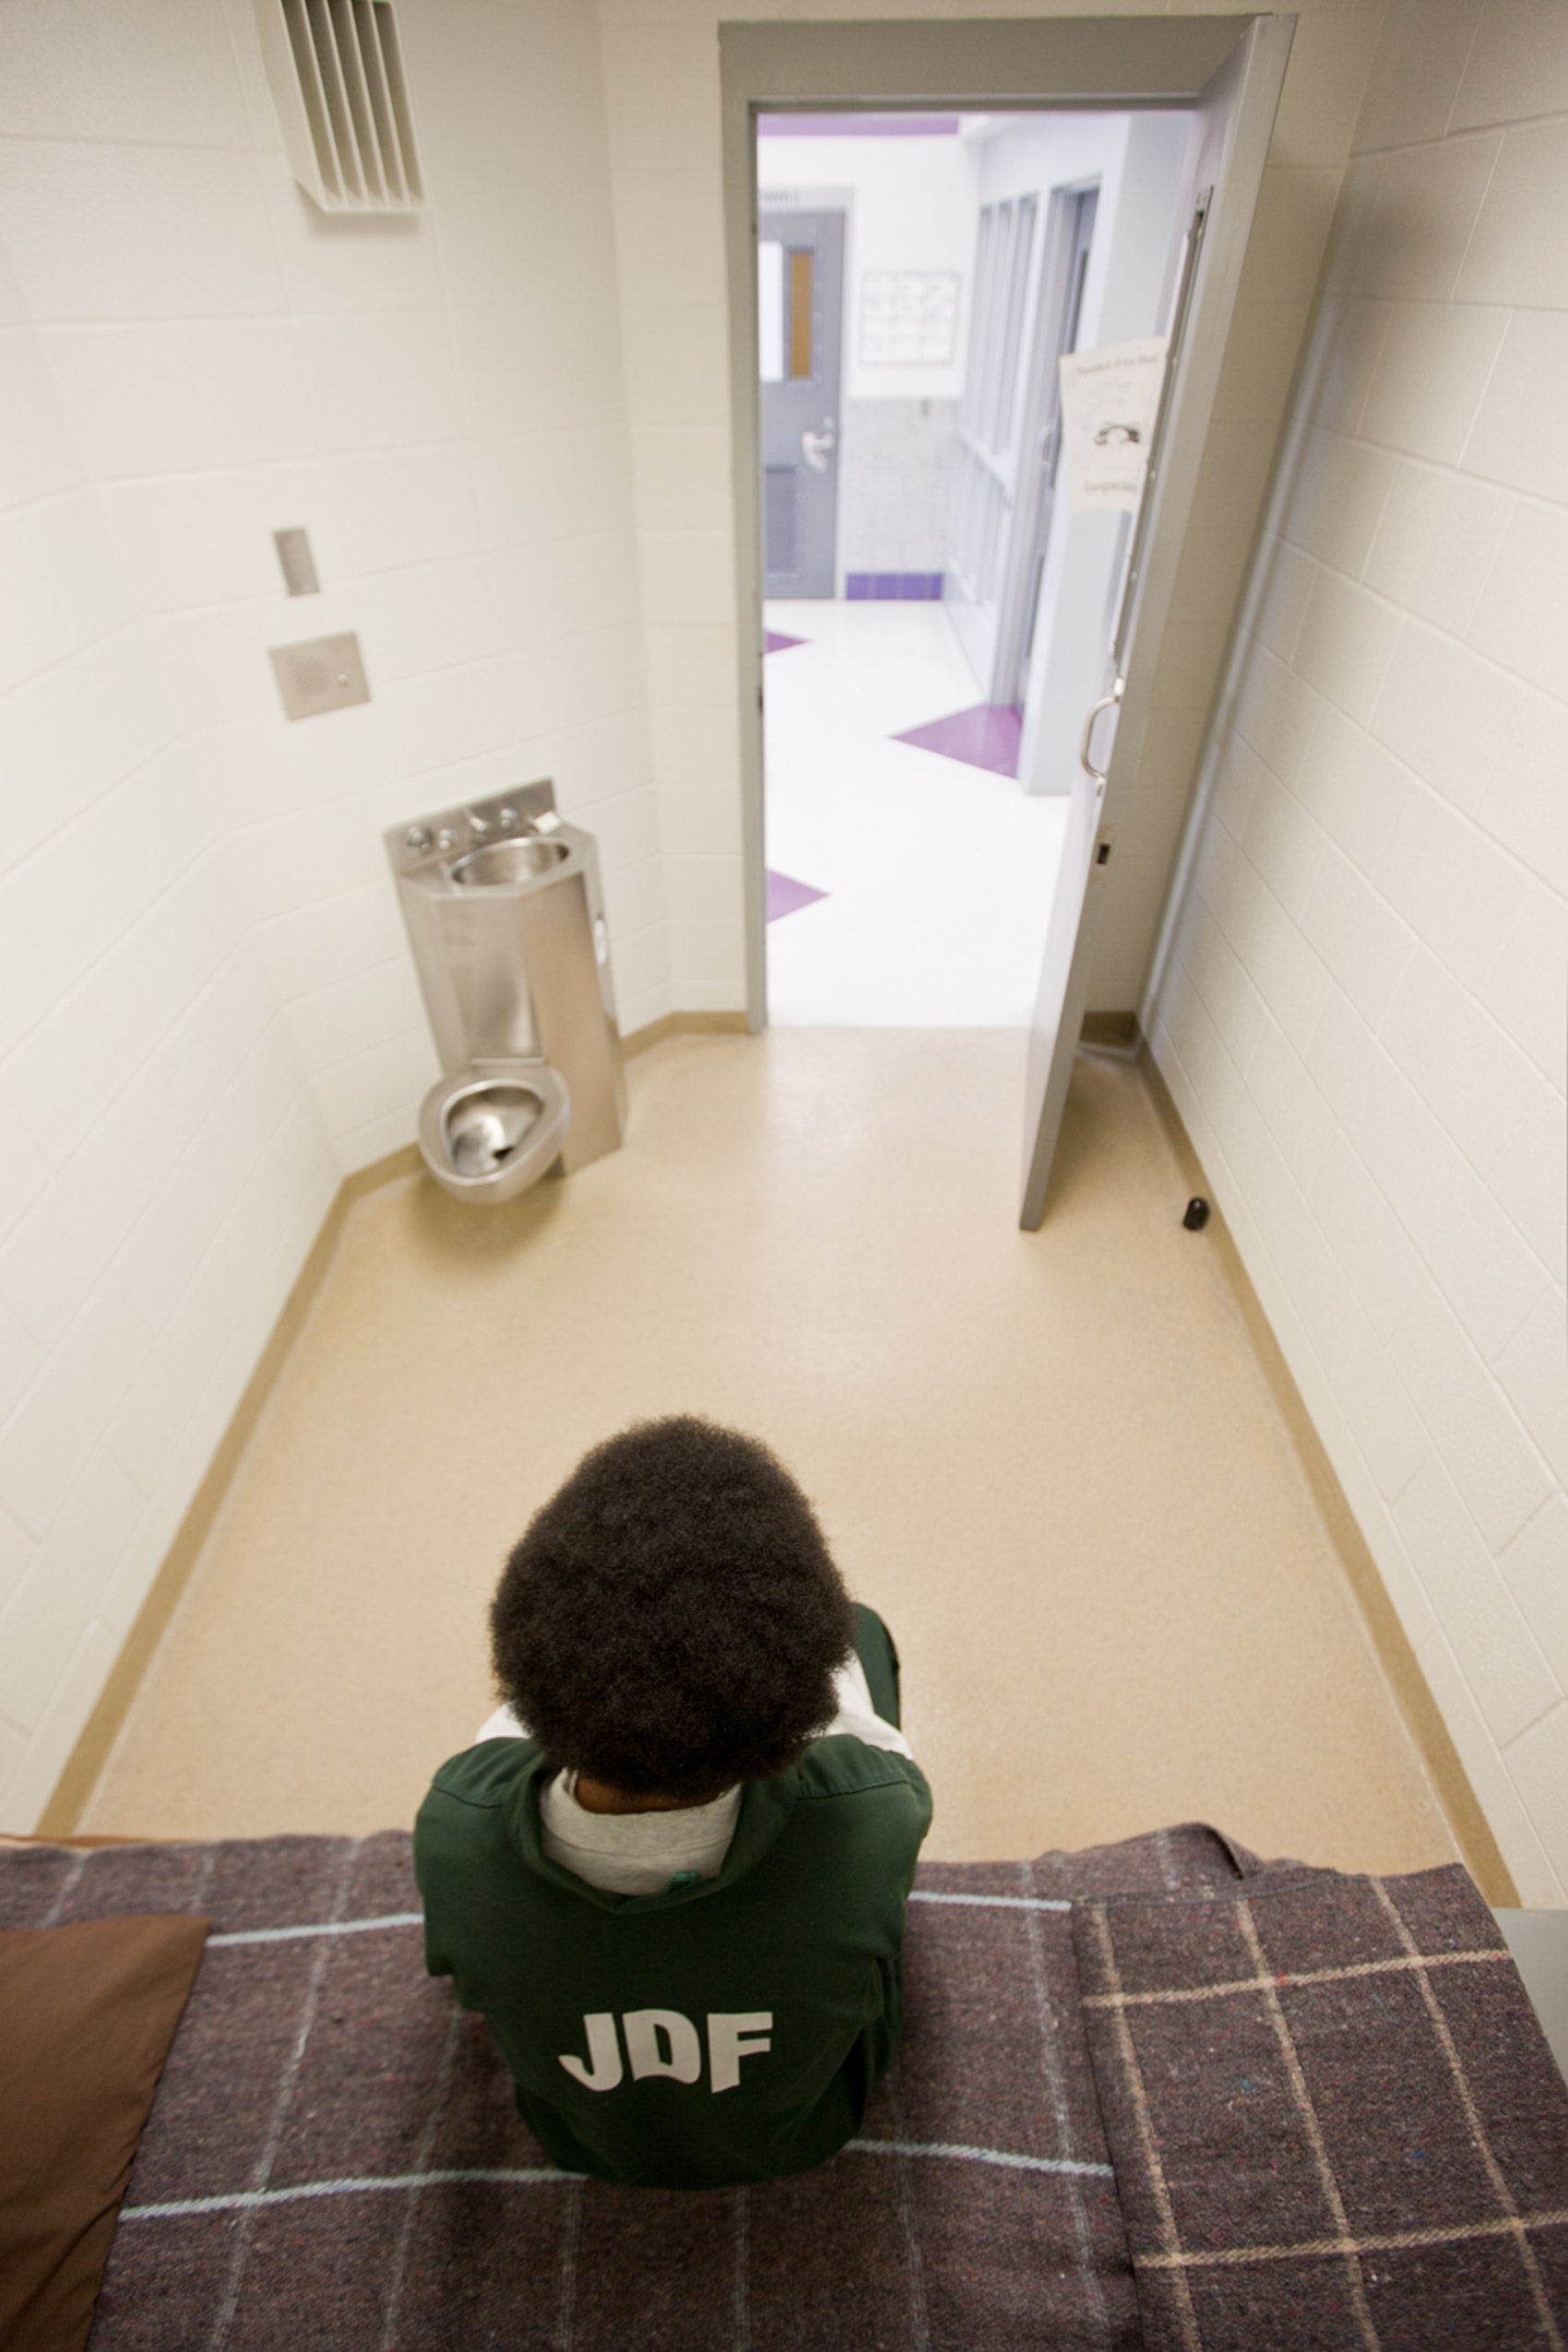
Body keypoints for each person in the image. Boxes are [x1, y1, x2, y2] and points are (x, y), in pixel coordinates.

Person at [414, 1415, 932, 2191]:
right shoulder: (872, 1812)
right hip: (812, 2126)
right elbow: (865, 1739)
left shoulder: (454, 1825)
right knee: (865, 1631)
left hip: (575, 2139)